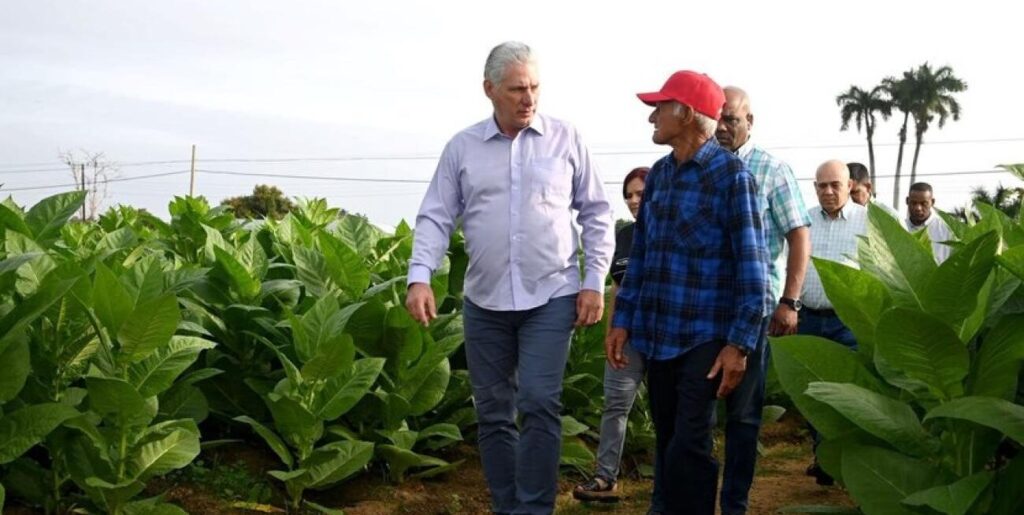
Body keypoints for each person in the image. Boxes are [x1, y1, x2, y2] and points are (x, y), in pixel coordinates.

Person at [405, 41, 615, 514]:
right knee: (493, 412)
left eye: (535, 86)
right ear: (490, 90)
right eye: (518, 88)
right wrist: (420, 276)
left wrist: (593, 281)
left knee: (540, 401)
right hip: (486, 301)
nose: (529, 98)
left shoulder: (566, 138)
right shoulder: (462, 148)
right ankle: (508, 507)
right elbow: (436, 216)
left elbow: (597, 213)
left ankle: (535, 508)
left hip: (552, 293)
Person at [608, 70, 771, 515]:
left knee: (690, 444)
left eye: (660, 108)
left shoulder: (732, 177)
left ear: (687, 113)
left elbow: (753, 268)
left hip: (705, 338)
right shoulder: (659, 175)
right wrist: (622, 319)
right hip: (658, 336)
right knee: (667, 438)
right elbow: (639, 255)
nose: (652, 119)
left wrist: (739, 345)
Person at [715, 86, 811, 515]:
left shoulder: (773, 170)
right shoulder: (704, 166)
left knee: (744, 415)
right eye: (716, 118)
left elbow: (798, 235)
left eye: (731, 119)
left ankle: (734, 502)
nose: (722, 127)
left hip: (753, 309)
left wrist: (789, 301)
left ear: (749, 122)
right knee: (692, 410)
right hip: (702, 309)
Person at [573, 166, 664, 512]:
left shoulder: (669, 231)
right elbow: (616, 286)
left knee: (666, 409)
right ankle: (605, 477)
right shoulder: (623, 236)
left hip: (666, 337)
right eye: (628, 195)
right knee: (615, 406)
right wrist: (611, 332)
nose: (634, 201)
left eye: (641, 193)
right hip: (628, 337)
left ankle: (669, 476)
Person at [797, 159, 869, 484]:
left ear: (850, 185)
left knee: (851, 392)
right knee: (811, 392)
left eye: (834, 185)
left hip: (850, 321)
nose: (827, 191)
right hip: (809, 319)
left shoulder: (871, 222)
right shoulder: (803, 221)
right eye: (821, 185)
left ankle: (850, 460)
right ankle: (823, 454)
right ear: (814, 188)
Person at [906, 182, 953, 263]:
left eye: (924, 203)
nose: (918, 208)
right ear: (907, 201)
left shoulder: (946, 230)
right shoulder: (900, 226)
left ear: (932, 202)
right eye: (914, 203)